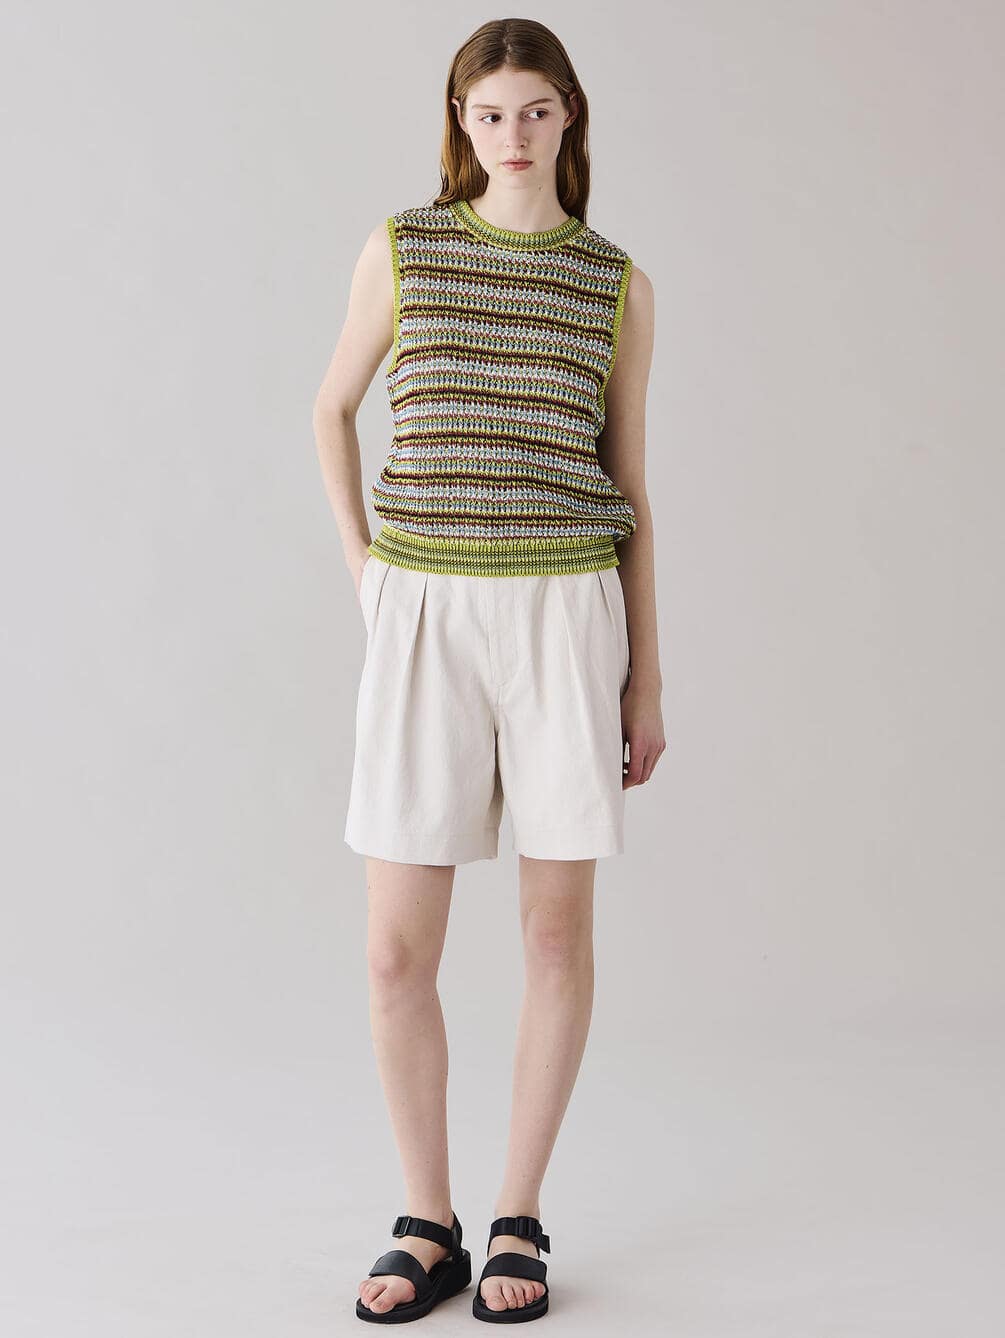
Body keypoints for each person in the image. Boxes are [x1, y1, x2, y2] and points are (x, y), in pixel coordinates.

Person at [313, 17, 666, 1324]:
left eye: (534, 110)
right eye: (487, 112)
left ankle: (519, 1213)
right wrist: (369, 573)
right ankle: (428, 1218)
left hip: (567, 614)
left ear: (570, 117)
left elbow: (630, 486)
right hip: (428, 613)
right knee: (394, 953)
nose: (511, 134)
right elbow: (329, 407)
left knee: (553, 933)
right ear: (459, 124)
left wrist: (645, 678)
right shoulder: (404, 248)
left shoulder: (615, 283)